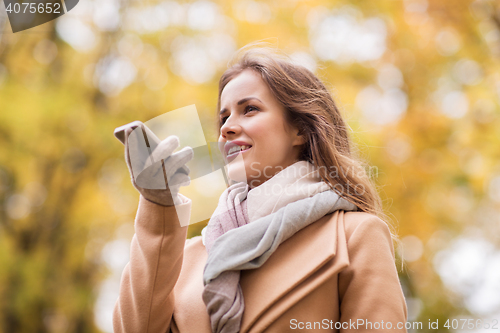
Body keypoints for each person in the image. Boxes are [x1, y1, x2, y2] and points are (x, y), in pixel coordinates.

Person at [113, 45, 408, 333]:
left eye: (249, 109)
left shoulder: (354, 235)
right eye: (223, 117)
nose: (227, 128)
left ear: (300, 131)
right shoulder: (186, 257)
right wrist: (160, 207)